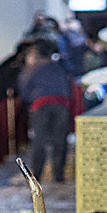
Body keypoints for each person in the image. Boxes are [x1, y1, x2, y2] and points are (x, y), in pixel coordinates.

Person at [20, 48, 74, 183]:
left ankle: (36, 175)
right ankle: (59, 175)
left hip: (40, 105)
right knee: (60, 140)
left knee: (39, 141)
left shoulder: (33, 69)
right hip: (61, 104)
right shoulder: (61, 67)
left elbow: (25, 90)